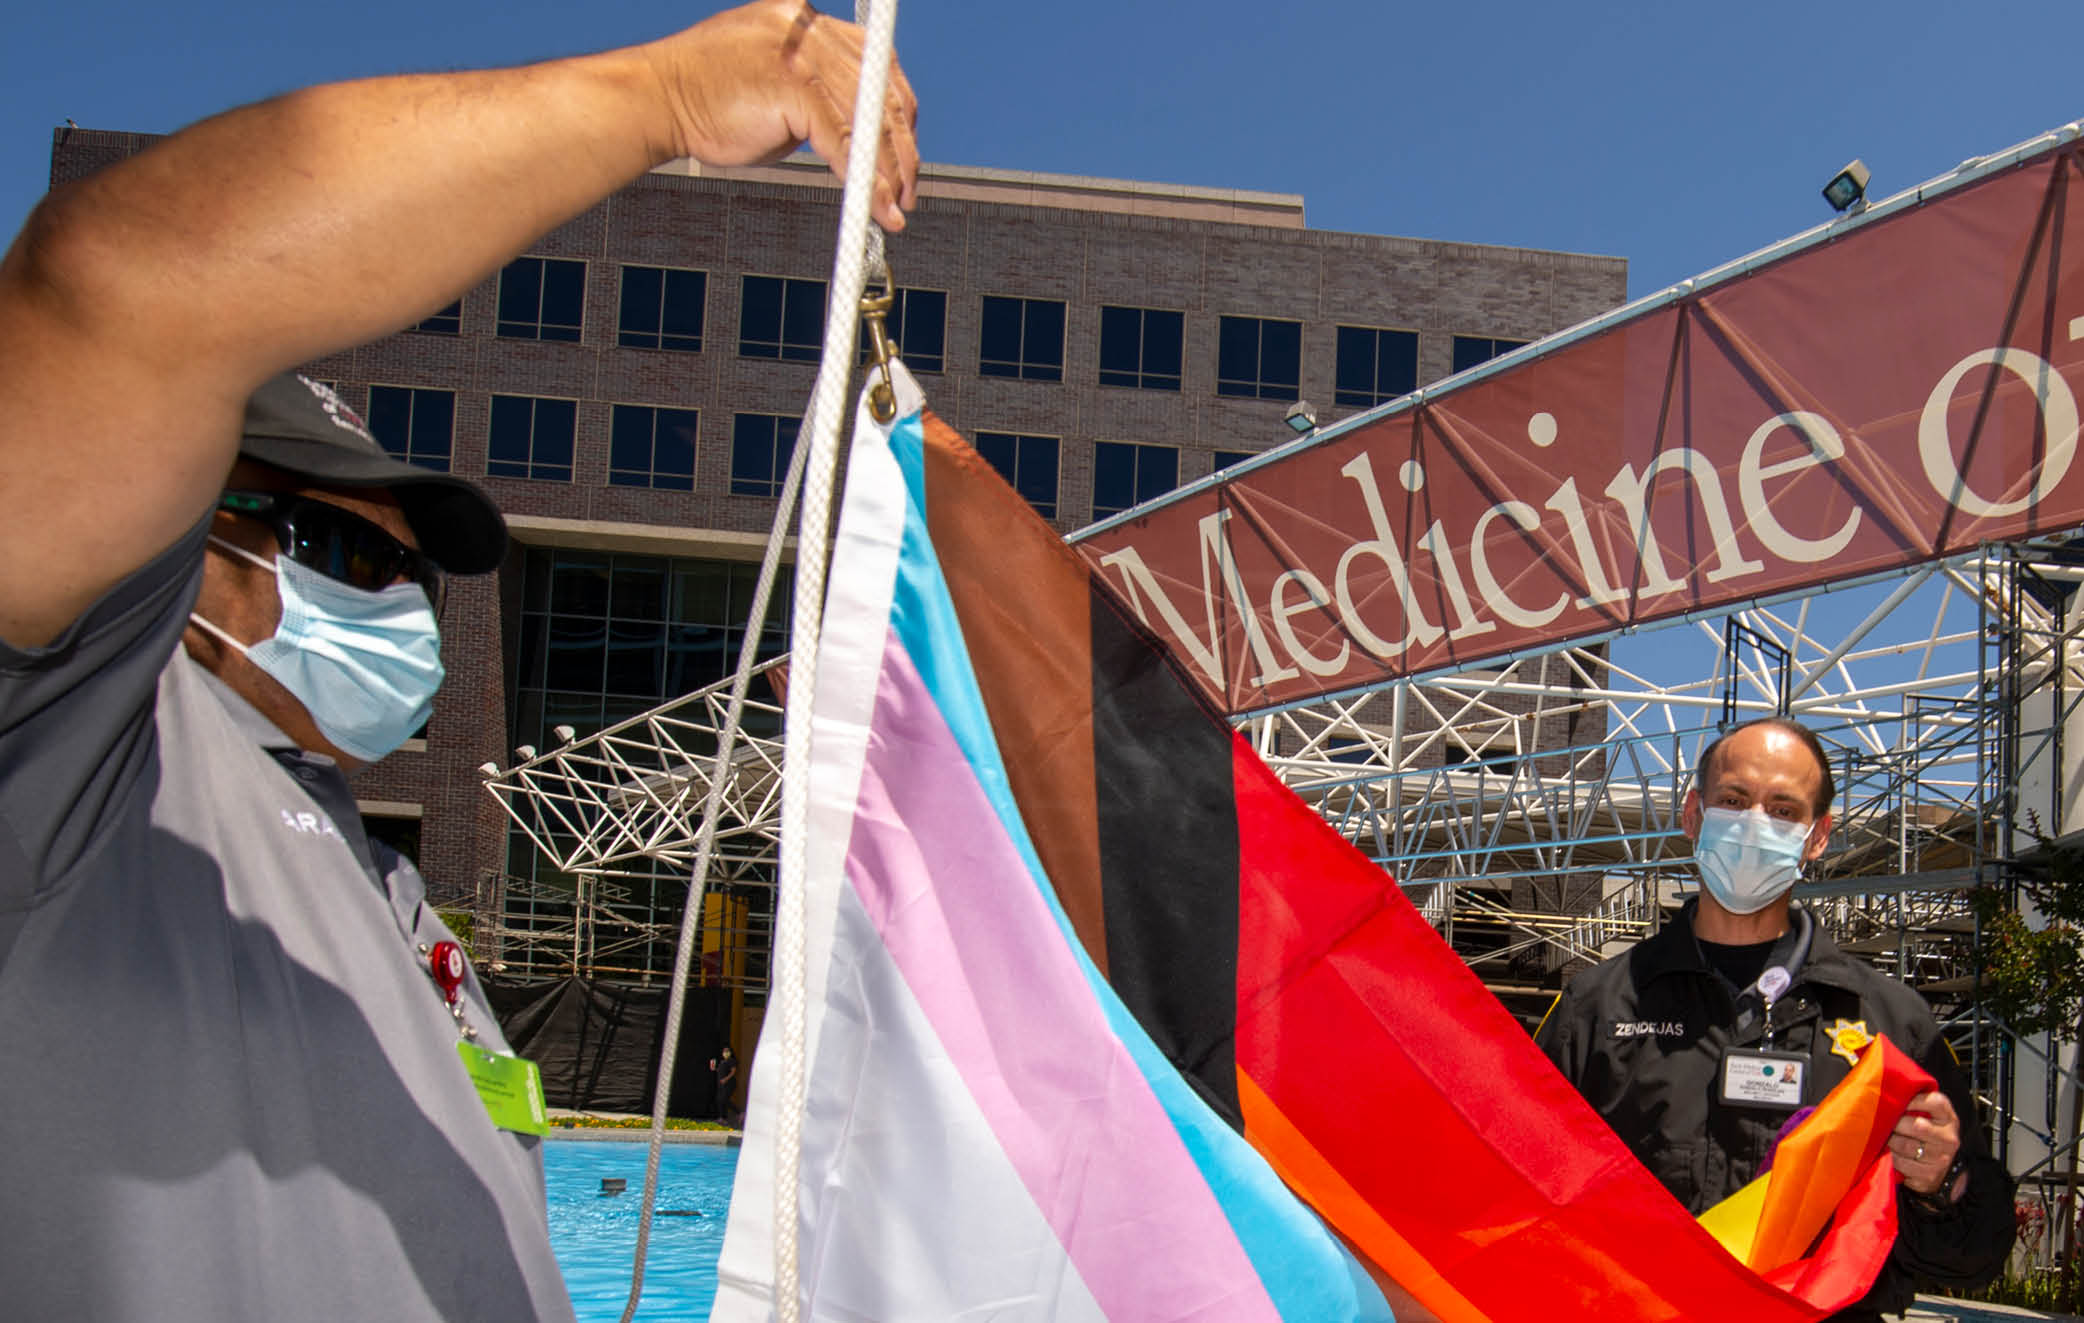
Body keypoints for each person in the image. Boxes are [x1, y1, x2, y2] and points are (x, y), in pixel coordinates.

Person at [0, 4, 917, 1318]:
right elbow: (113, 279)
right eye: (344, 551)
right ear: (175, 535)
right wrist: (659, 98)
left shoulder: (377, 889)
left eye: (408, 572)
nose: (398, 605)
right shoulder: (64, 764)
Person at [1535, 717, 2015, 1320]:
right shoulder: (1597, 1010)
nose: (1755, 824)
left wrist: (1944, 1183)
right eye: (1734, 801)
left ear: (1817, 837)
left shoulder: (1892, 1025)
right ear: (1694, 815)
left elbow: (1976, 1256)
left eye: (1784, 810)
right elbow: (1520, 1205)